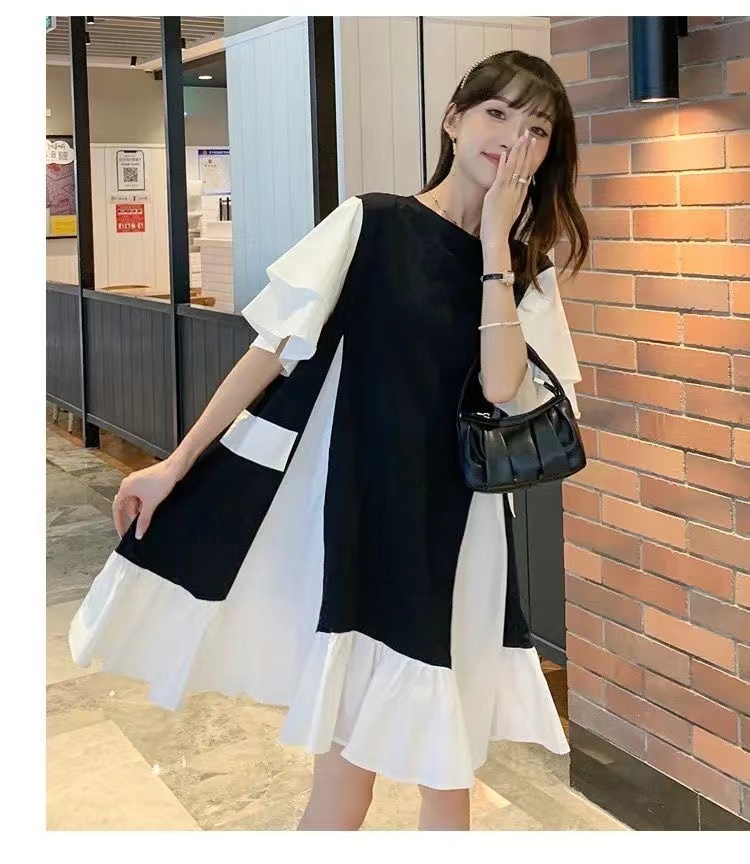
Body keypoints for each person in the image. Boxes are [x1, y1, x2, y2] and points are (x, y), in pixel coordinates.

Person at [68, 50, 589, 831]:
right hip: (359, 517)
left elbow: (500, 385)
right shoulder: (372, 223)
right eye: (497, 113)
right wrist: (176, 463)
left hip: (461, 536)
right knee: (344, 784)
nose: (514, 138)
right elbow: (271, 352)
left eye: (538, 129)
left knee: (447, 777)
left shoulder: (524, 268)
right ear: (453, 120)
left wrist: (494, 250)